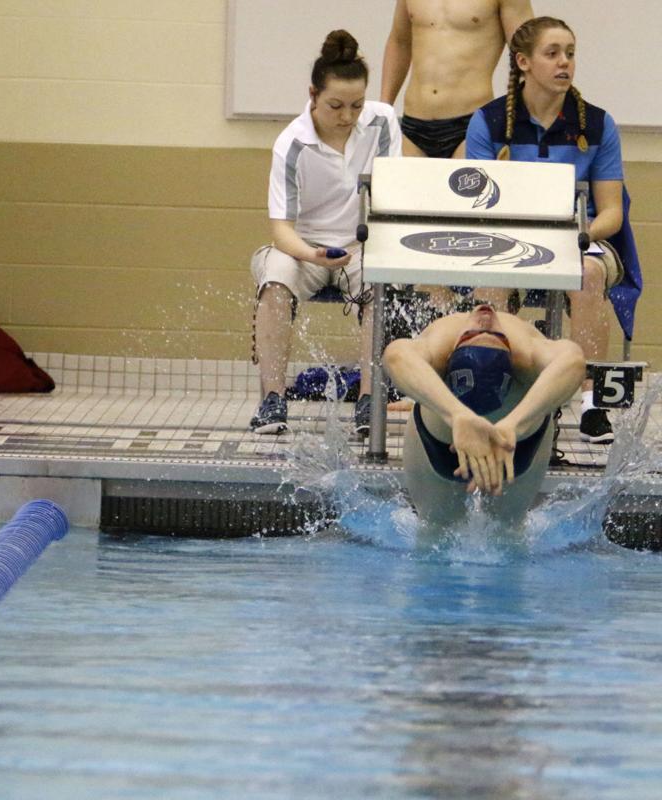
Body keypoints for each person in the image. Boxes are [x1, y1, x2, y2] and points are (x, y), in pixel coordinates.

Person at [466, 16, 626, 444]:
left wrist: (583, 236)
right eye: (552, 53)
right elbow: (472, 205)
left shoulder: (596, 124)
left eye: (570, 54)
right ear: (523, 61)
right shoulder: (489, 122)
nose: (564, 63)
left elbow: (611, 213)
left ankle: (594, 403)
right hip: (509, 240)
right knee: (488, 279)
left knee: (589, 275)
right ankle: (489, 390)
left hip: (578, 241)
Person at [250, 30, 401, 437]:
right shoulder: (291, 143)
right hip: (305, 247)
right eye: (335, 105)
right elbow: (281, 227)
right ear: (313, 95)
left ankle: (370, 400)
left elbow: (393, 196)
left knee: (381, 281)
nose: (347, 116)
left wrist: (375, 246)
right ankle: (272, 399)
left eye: (356, 104)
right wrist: (312, 255)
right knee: (275, 281)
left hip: (362, 243)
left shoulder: (383, 122)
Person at [382, 0, 533, 315]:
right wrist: (383, 109)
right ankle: (434, 318)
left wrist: (517, 123)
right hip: (413, 124)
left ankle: (491, 305)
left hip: (470, 125)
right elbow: (400, 40)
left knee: (469, 225)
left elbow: (528, 52)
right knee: (410, 232)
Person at [384, 304, 584, 531]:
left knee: (509, 535)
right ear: (449, 357)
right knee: (433, 533)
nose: (485, 321)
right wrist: (457, 416)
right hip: (442, 445)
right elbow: (396, 357)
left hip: (515, 444)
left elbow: (574, 362)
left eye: (495, 336)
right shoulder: (441, 345)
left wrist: (513, 425)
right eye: (474, 334)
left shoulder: (526, 353)